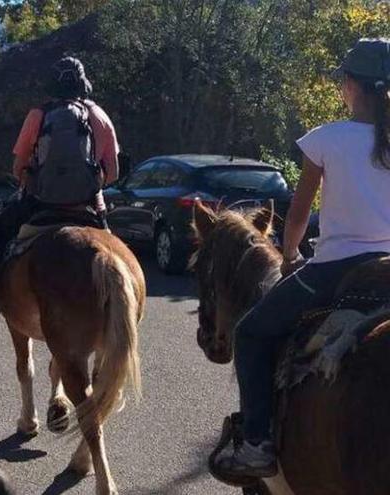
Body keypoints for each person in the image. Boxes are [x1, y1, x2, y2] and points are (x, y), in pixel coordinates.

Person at [216, 38, 390, 477]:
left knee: (251, 333)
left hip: (338, 268)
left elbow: (296, 214)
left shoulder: (326, 138)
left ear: (350, 85)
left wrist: (291, 253)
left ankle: (256, 443)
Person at [0, 57, 120, 322]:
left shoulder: (38, 115)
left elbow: (18, 168)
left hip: (41, 203)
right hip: (88, 204)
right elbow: (114, 174)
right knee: (117, 254)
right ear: (83, 84)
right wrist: (89, 185)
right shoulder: (99, 116)